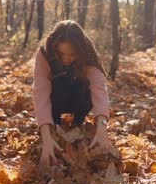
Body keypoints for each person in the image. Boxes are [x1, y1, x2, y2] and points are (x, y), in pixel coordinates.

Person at [32, 20, 113, 166]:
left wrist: (102, 128)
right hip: (56, 99)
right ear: (55, 47)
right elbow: (40, 92)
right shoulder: (45, 52)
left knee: (86, 84)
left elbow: (99, 89)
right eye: (61, 54)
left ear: (80, 51)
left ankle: (78, 122)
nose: (66, 59)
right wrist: (46, 136)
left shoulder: (87, 52)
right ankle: (55, 125)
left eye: (72, 54)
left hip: (78, 98)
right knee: (58, 81)